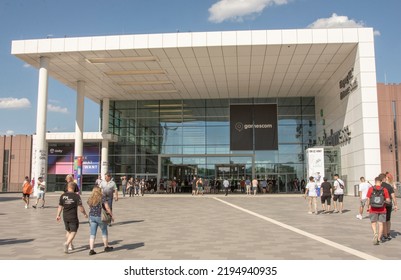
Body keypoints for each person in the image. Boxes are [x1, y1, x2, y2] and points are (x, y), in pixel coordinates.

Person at [56, 181, 88, 253]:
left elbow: (60, 206)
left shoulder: (63, 195)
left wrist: (58, 215)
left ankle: (70, 246)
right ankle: (67, 244)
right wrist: (85, 214)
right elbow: (80, 207)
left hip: (65, 216)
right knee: (73, 231)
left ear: (68, 187)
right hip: (73, 216)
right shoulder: (76, 196)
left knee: (68, 231)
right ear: (74, 188)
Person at [87, 185, 114, 255]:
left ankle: (91, 249)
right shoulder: (102, 197)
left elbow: (89, 206)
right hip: (100, 217)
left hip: (92, 216)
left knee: (92, 233)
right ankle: (106, 247)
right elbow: (107, 207)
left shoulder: (90, 198)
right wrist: (111, 215)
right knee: (104, 231)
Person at [366, 176, 391, 245]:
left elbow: (368, 199)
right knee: (381, 224)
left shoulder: (371, 189)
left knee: (373, 222)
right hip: (382, 209)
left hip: (373, 209)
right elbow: (388, 200)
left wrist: (368, 206)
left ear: (375, 181)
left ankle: (375, 233)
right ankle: (379, 238)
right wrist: (387, 201)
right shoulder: (384, 189)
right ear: (381, 182)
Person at [379, 173, 398, 241]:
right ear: (384, 178)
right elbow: (393, 197)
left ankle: (383, 234)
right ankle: (387, 233)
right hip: (388, 204)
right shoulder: (389, 186)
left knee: (382, 220)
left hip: (380, 205)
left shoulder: (377, 186)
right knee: (388, 219)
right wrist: (396, 205)